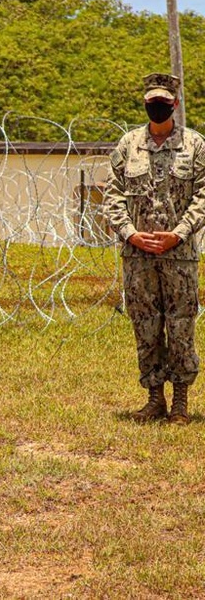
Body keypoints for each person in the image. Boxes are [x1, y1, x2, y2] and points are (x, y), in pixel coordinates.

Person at [104, 72, 205, 425]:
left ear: (175, 104)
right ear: (145, 105)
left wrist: (178, 233)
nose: (158, 108)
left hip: (180, 255)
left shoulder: (194, 145)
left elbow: (203, 195)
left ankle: (180, 402)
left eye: (163, 103)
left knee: (180, 326)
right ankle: (154, 399)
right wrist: (131, 233)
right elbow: (112, 194)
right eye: (152, 104)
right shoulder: (128, 145)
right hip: (138, 255)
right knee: (145, 325)